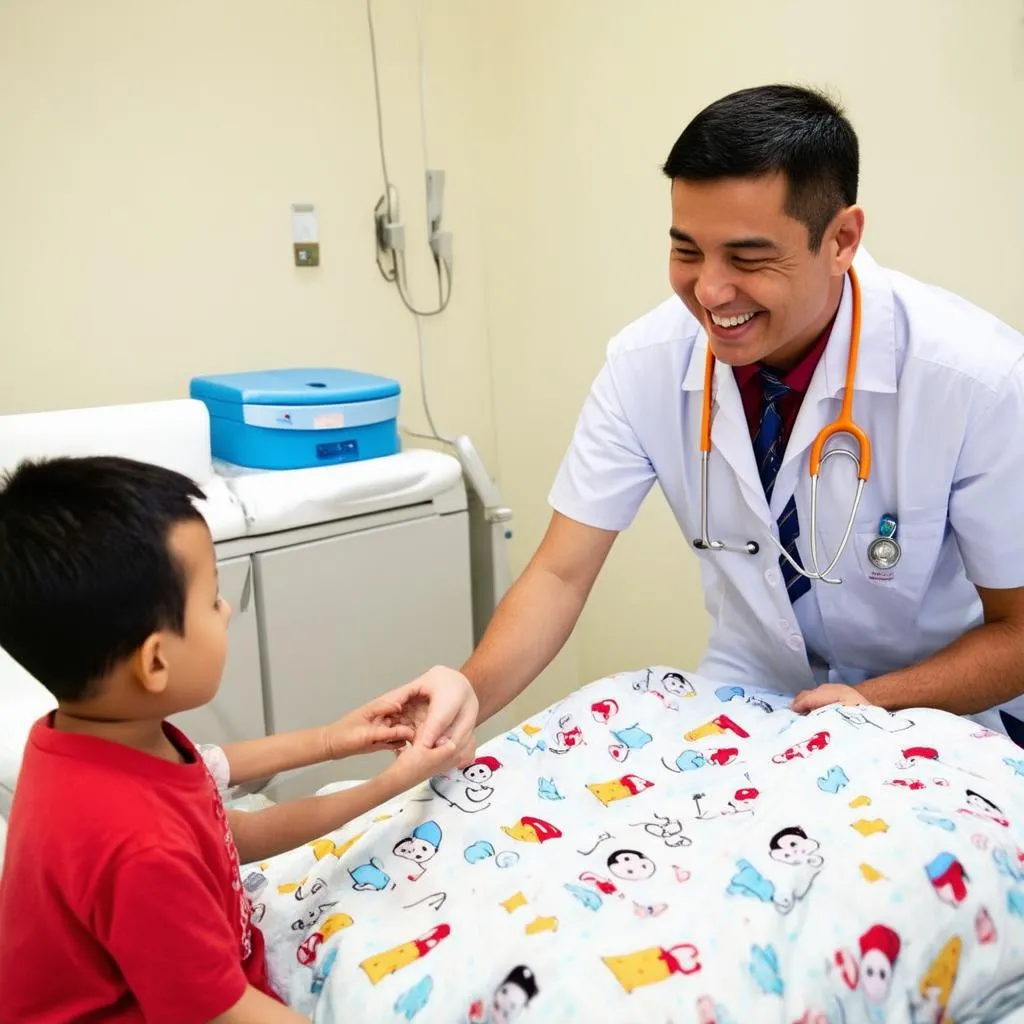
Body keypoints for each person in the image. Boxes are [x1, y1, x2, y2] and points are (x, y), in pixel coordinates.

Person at [401, 83, 1024, 748]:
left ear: (841, 239)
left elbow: (1016, 632)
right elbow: (559, 574)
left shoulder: (975, 379)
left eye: (748, 258)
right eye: (687, 251)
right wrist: (470, 687)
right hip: (754, 703)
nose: (709, 291)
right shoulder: (646, 363)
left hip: (935, 714)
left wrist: (867, 703)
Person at [0, 455, 466, 1023]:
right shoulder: (136, 846)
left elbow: (226, 832)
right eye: (213, 599)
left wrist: (345, 748)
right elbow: (221, 1011)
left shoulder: (89, 737)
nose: (225, 612)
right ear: (155, 662)